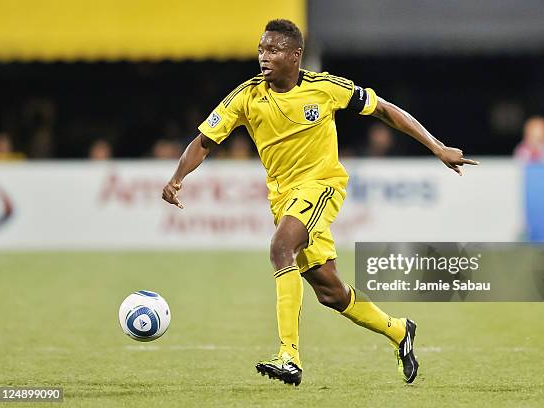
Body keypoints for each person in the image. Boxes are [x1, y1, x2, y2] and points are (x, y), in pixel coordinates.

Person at [162, 19, 478, 386]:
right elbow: (204, 140)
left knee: (281, 248)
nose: (264, 57)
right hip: (283, 197)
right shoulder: (246, 96)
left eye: (273, 50)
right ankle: (398, 331)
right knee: (330, 292)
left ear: (295, 55)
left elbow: (385, 110)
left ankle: (289, 357)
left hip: (322, 185)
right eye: (261, 50)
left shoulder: (325, 87)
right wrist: (177, 177)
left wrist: (437, 147)